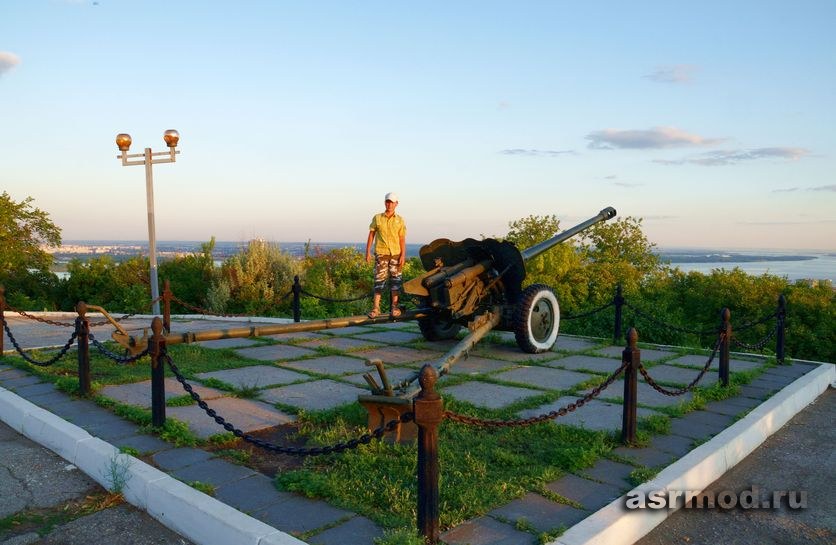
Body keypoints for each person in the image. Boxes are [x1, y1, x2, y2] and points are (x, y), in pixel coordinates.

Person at [365, 192, 406, 318]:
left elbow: (402, 238)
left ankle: (395, 307)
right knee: (379, 281)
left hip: (396, 254)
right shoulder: (377, 218)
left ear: (396, 204)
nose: (389, 204)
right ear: (385, 203)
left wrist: (403, 255)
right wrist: (367, 251)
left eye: (392, 202)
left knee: (396, 281)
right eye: (388, 202)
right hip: (381, 253)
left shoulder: (400, 220)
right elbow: (371, 234)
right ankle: (376, 308)